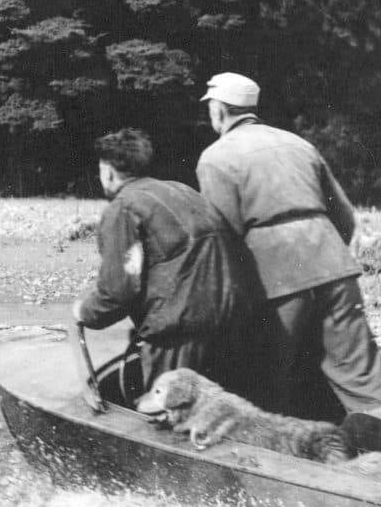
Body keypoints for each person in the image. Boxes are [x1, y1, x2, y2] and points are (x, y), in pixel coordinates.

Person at [195, 72, 381, 418]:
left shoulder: (216, 157)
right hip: (334, 265)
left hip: (276, 276)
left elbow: (222, 238)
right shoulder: (299, 144)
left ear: (219, 110)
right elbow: (344, 217)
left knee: (266, 377)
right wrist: (323, 258)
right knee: (360, 375)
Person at [73, 127, 259, 399]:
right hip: (231, 319)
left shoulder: (123, 207)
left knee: (168, 411)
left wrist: (85, 312)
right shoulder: (184, 190)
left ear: (108, 172)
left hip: (179, 333)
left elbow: (118, 290)